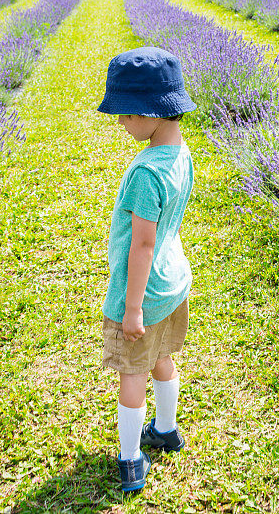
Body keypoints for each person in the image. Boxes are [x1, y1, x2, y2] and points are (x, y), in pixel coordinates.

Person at [97, 46, 196, 493]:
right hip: (173, 282)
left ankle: (131, 458)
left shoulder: (145, 175)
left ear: (151, 112)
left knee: (132, 374)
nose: (120, 122)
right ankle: (167, 429)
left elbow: (141, 244)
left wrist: (131, 309)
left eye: (124, 113)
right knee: (162, 359)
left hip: (143, 293)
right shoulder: (181, 155)